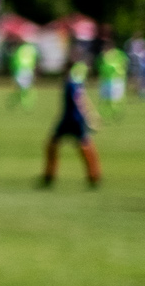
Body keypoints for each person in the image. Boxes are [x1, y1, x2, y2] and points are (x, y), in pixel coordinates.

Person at [38, 60, 103, 189]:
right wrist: (90, 115)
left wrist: (88, 116)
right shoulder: (74, 81)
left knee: (58, 144)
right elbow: (82, 97)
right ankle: (93, 175)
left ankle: (93, 175)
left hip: (72, 119)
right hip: (69, 118)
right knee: (58, 144)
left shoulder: (71, 82)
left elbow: (78, 100)